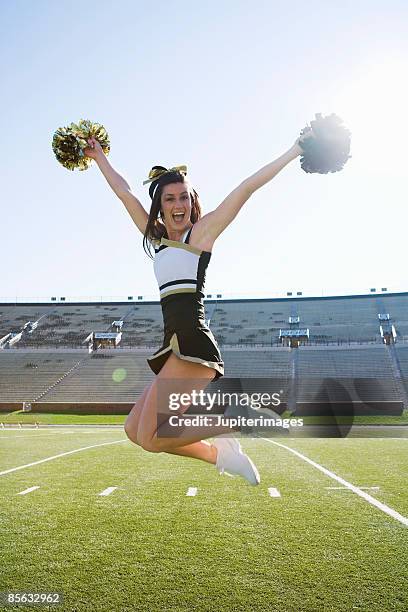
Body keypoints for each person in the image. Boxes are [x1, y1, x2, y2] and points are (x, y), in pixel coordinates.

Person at [84, 131, 310, 485]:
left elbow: (246, 188)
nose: (178, 205)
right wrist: (99, 159)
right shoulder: (156, 241)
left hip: (193, 346)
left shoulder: (201, 235)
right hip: (175, 346)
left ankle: (242, 417)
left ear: (192, 202)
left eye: (185, 198)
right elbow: (124, 192)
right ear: (160, 205)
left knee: (152, 436)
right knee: (135, 431)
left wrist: (294, 150)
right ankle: (222, 455)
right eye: (170, 198)